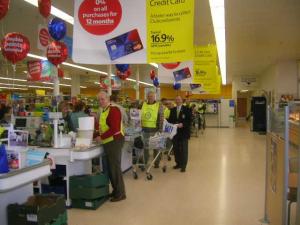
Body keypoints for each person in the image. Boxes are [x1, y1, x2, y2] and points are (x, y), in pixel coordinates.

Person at [96, 91, 126, 202]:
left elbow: (115, 129)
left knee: (114, 168)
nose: (100, 101)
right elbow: (103, 126)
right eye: (99, 99)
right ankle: (115, 190)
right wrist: (97, 135)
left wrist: (101, 137)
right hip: (108, 142)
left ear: (108, 99)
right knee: (110, 168)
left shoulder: (114, 110)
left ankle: (120, 193)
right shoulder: (104, 110)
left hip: (115, 141)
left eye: (102, 99)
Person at [168, 96, 191, 172]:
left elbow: (189, 120)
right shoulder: (172, 110)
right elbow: (170, 120)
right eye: (176, 99)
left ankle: (183, 166)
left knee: (184, 149)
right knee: (176, 149)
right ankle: (178, 163)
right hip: (175, 133)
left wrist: (183, 124)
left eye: (179, 100)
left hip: (184, 133)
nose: (177, 101)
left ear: (182, 101)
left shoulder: (187, 109)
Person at [141, 91, 164, 168]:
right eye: (149, 96)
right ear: (147, 97)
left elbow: (161, 118)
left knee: (156, 148)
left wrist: (160, 130)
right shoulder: (143, 105)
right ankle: (145, 162)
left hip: (155, 130)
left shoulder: (159, 105)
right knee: (145, 148)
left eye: (152, 96)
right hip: (144, 130)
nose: (150, 97)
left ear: (154, 97)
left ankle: (156, 163)